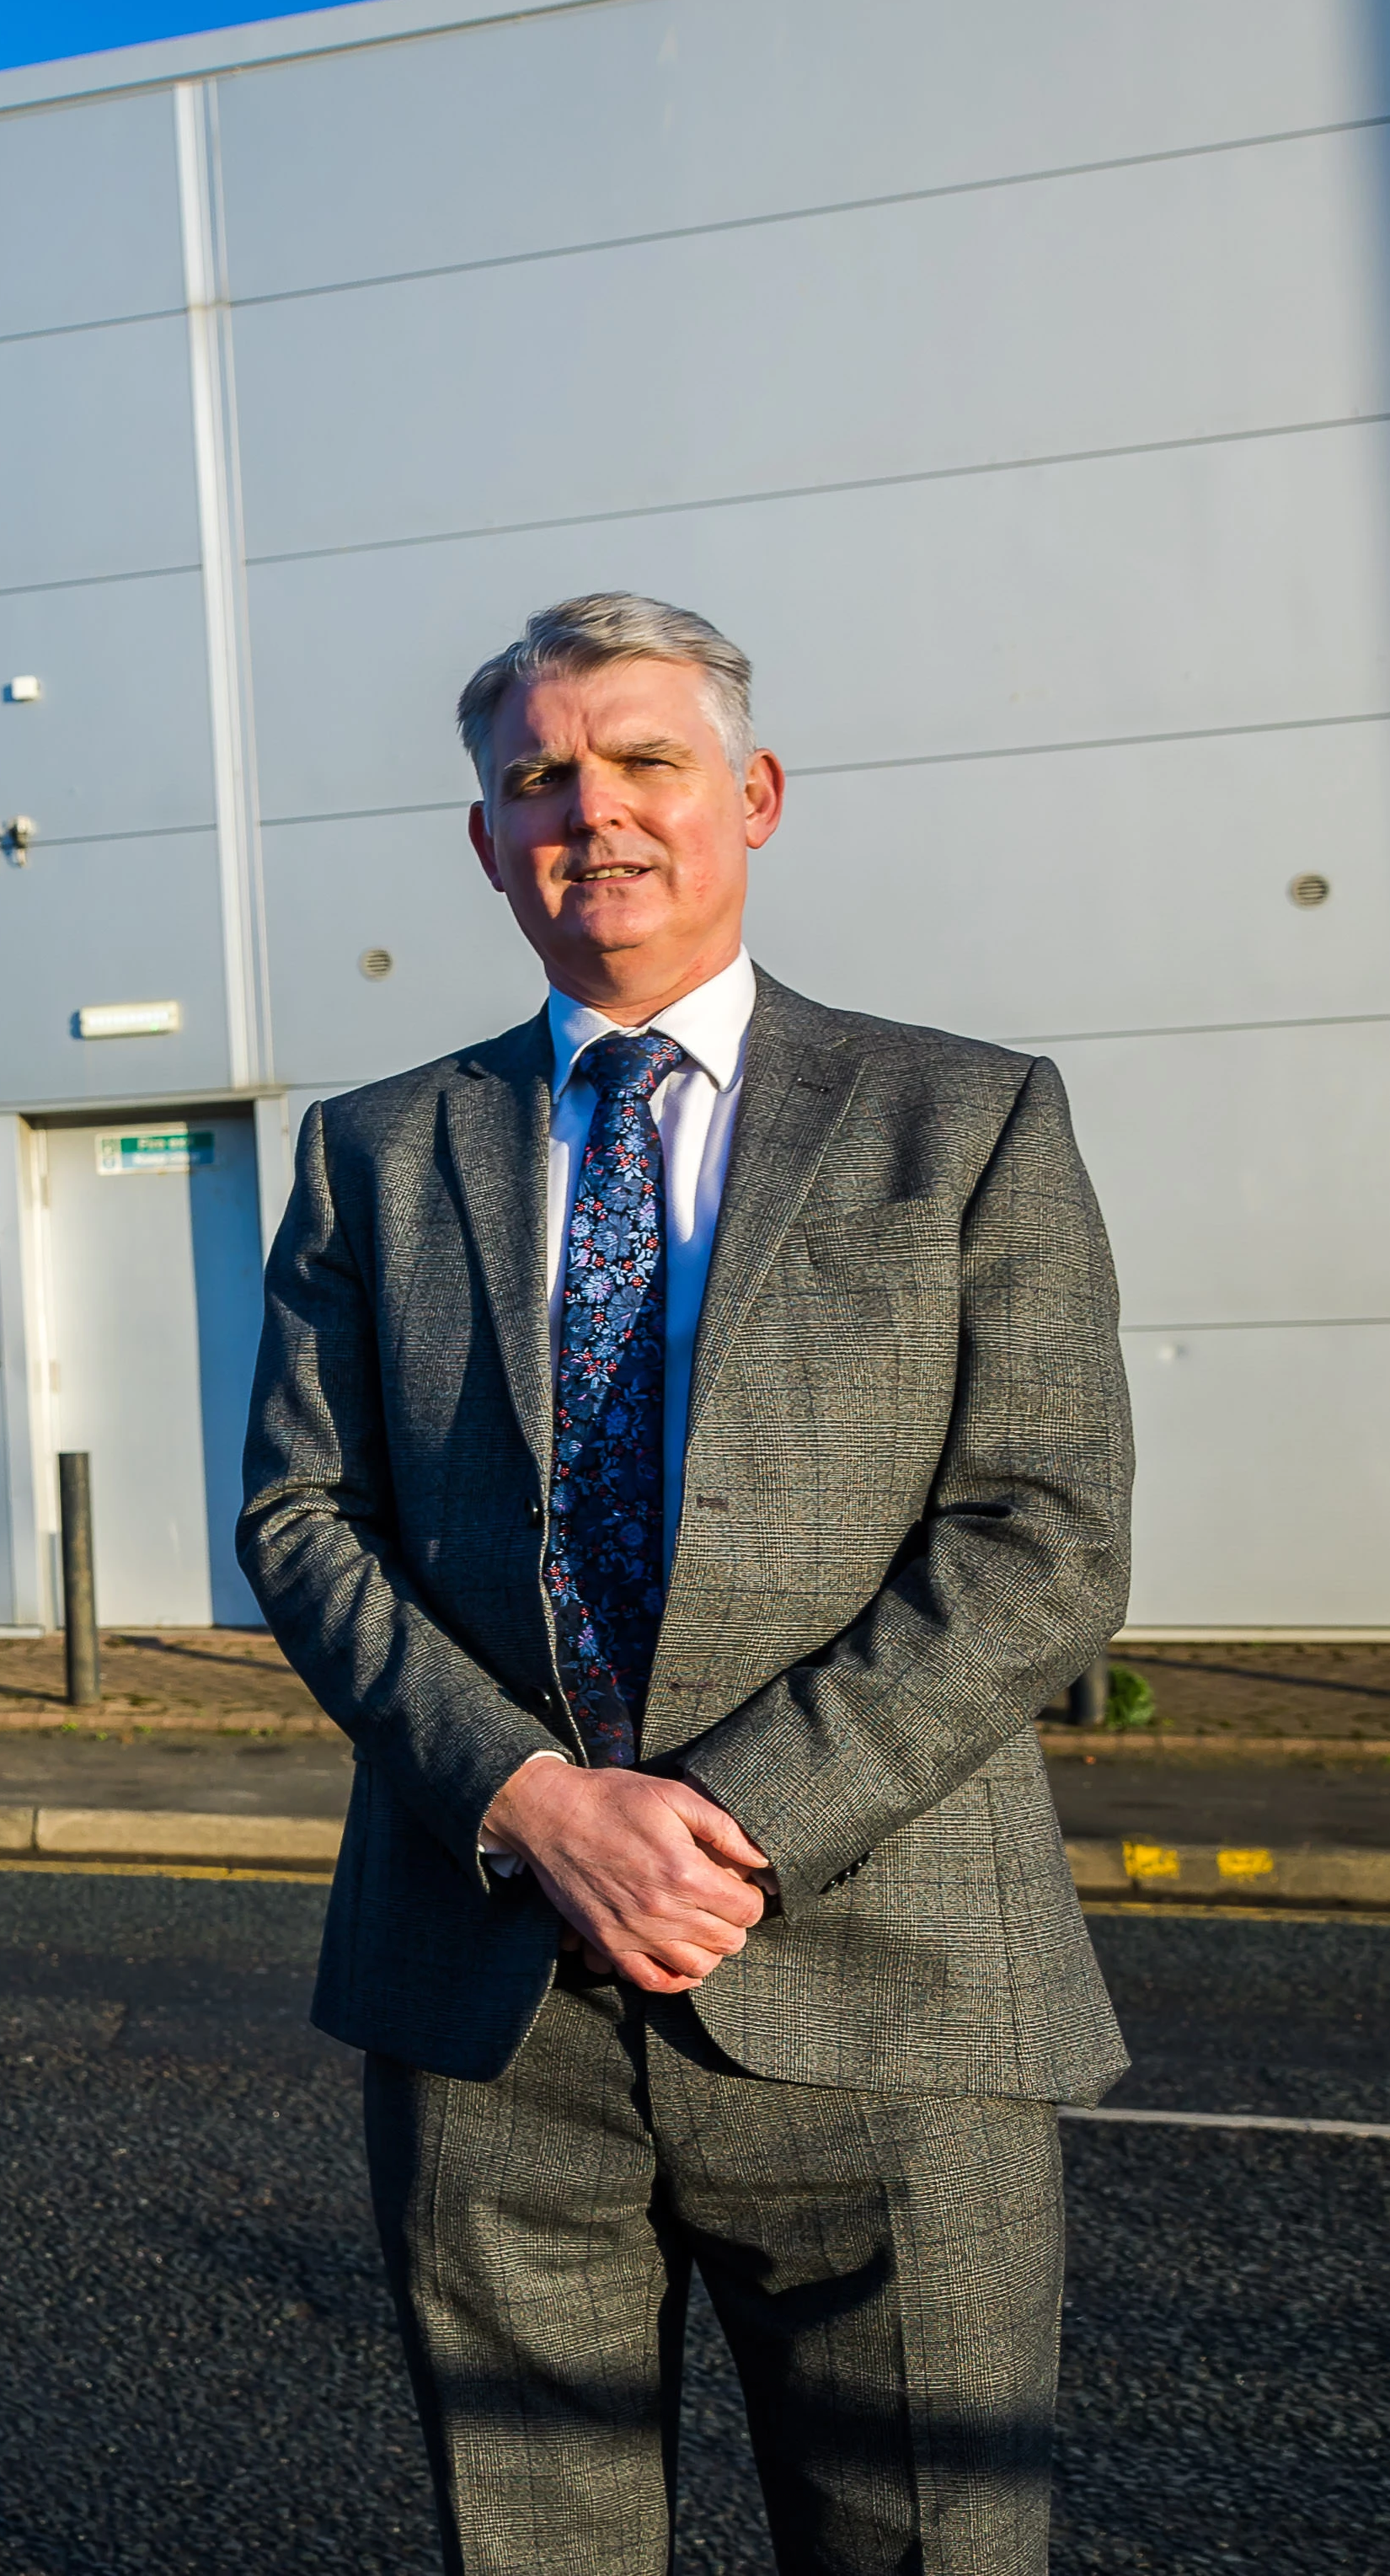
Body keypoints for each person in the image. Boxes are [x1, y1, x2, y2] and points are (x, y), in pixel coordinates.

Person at [243, 594, 1131, 2575]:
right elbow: (304, 1518)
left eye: (644, 759)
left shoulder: (962, 1118)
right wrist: (535, 1797)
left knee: (930, 2544)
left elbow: (1042, 1529)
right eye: (538, 774)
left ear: (753, 794)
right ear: (484, 839)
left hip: (887, 1979)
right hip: (490, 1995)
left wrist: (723, 1819)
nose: (594, 811)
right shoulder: (376, 1152)